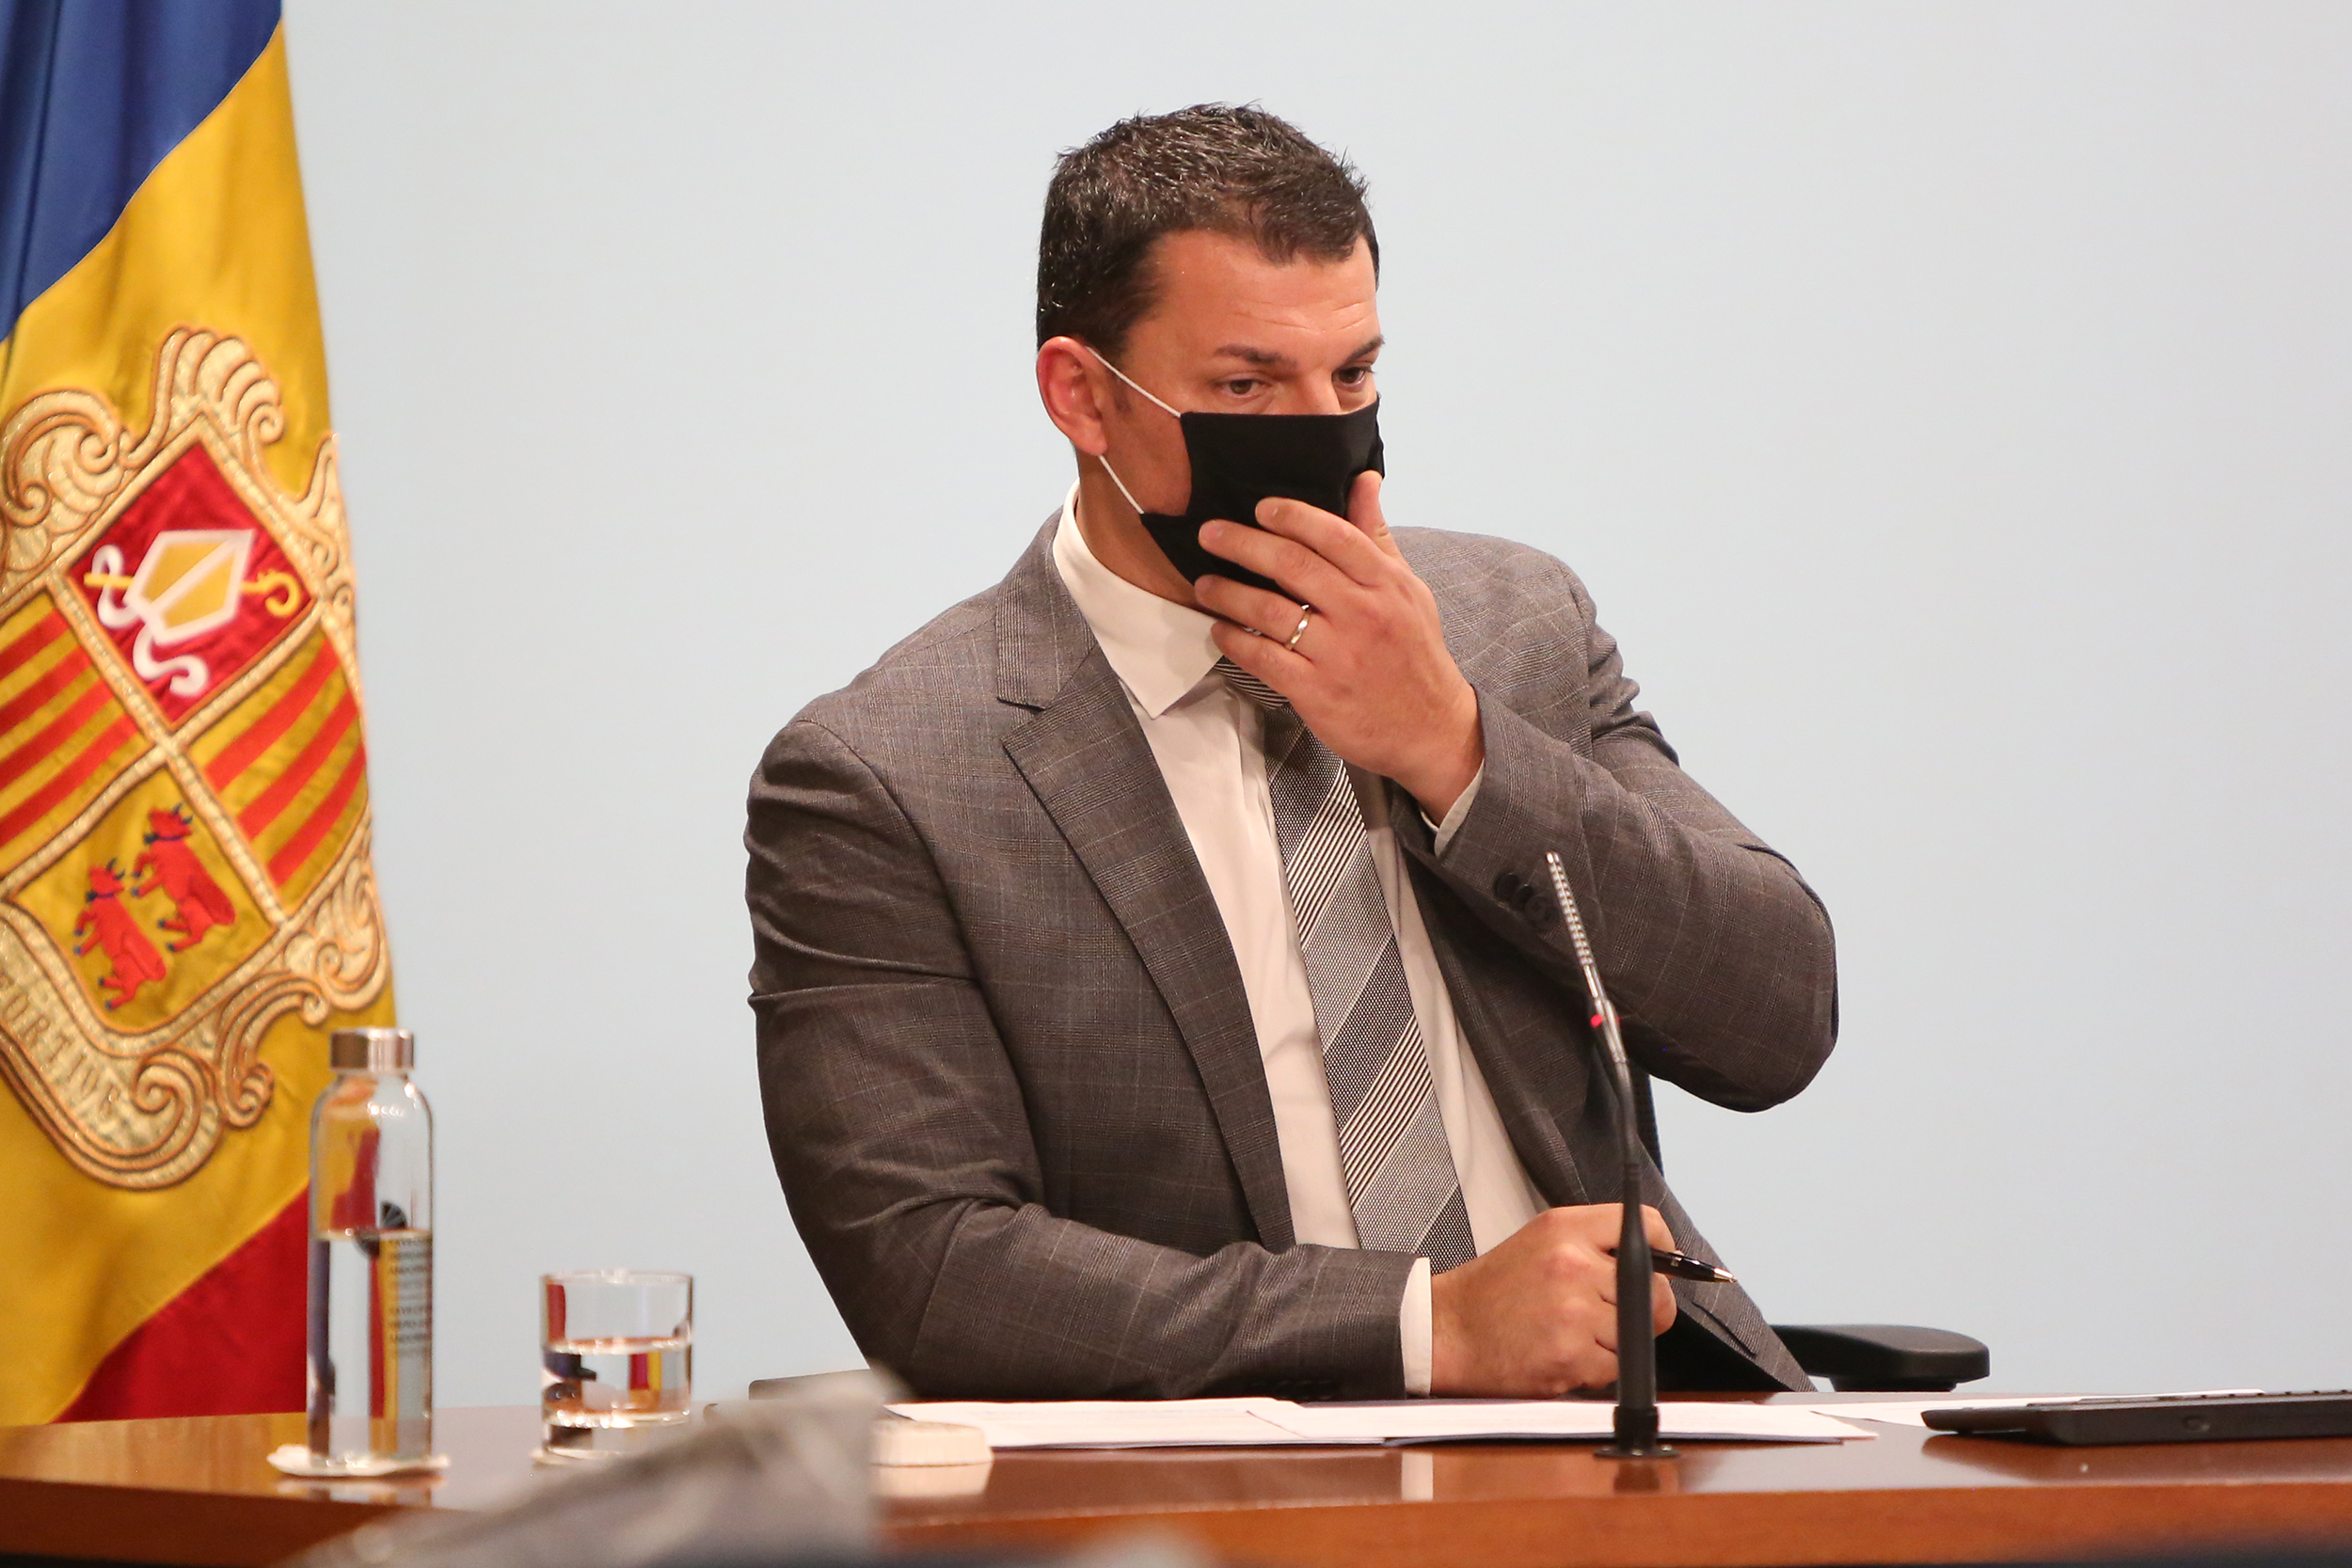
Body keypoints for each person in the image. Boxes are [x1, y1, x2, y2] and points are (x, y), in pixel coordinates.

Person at [745, 104, 1836, 1400]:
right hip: (1235, 1470)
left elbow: (1778, 1018)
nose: (1320, 431)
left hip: (1628, 1429)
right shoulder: (889, 777)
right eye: (1247, 388)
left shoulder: (1513, 625)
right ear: (1082, 395)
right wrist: (1429, 1327)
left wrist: (1456, 747)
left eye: (1354, 378)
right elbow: (931, 1270)